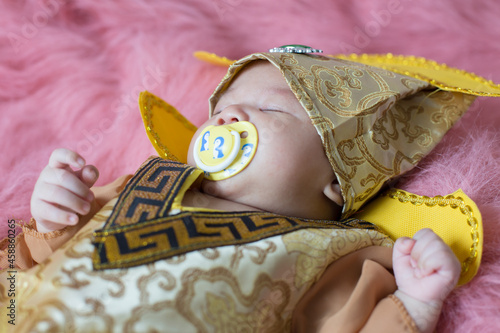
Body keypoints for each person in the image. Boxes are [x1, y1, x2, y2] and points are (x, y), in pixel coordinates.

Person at [2, 50, 497, 332]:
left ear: (336, 180)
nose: (227, 118)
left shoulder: (336, 252)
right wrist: (51, 220)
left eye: (273, 110)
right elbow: (19, 264)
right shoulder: (144, 181)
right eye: (222, 107)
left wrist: (416, 302)